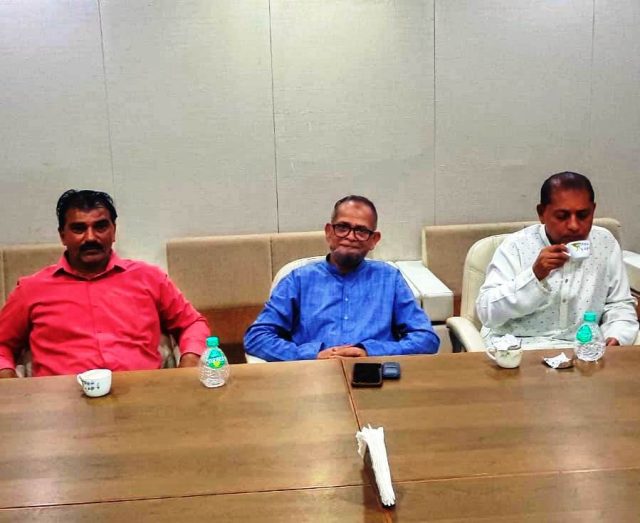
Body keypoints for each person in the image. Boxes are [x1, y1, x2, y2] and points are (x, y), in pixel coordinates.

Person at [0, 190, 210, 378]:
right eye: (79, 229)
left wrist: (188, 364)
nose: (90, 237)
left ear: (113, 230)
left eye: (100, 226)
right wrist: (10, 385)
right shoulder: (32, 289)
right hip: (60, 401)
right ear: (63, 236)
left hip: (142, 394)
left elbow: (192, 323)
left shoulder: (149, 278)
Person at [244, 195, 440, 361]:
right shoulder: (298, 280)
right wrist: (313, 354)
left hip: (375, 375)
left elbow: (426, 339)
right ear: (329, 232)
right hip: (313, 376)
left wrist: (369, 351)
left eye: (361, 231)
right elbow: (256, 337)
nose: (351, 236)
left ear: (374, 240)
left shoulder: (389, 279)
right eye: (343, 227)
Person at [477, 172, 638, 349]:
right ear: (541, 213)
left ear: (593, 210)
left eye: (583, 215)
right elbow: (487, 312)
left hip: (581, 349)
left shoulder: (605, 243)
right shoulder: (516, 246)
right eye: (562, 216)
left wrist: (616, 335)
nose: (574, 225)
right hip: (518, 347)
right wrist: (535, 276)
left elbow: (619, 305)